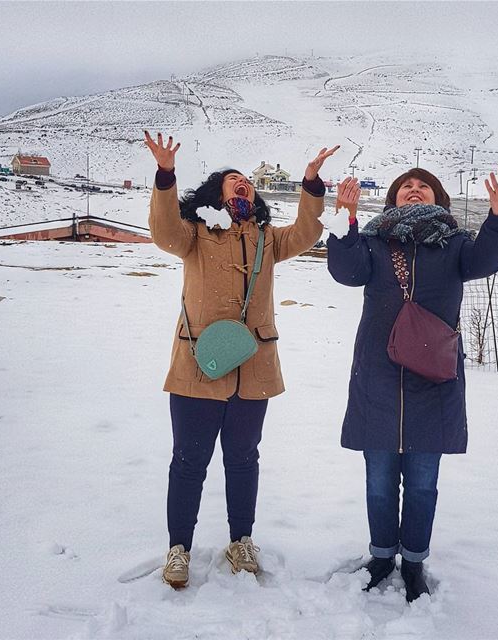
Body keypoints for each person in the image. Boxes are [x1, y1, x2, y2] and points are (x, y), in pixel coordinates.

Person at [144, 130, 339, 588]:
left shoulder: (268, 239)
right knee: (189, 461)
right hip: (198, 364)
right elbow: (163, 230)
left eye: (247, 179)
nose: (243, 182)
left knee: (244, 459)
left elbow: (308, 233)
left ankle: (241, 540)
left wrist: (311, 183)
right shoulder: (193, 234)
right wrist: (165, 175)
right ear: (217, 193)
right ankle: (179, 548)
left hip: (254, 369)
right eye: (233, 179)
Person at [327, 167, 498, 601]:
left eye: (423, 186)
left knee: (421, 484)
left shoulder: (454, 245)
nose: (414, 190)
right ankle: (381, 556)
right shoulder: (374, 242)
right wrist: (345, 219)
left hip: (433, 381)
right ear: (394, 199)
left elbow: (486, 260)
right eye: (406, 187)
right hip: (377, 378)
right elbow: (345, 271)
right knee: (378, 482)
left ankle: (413, 562)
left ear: (438, 199)